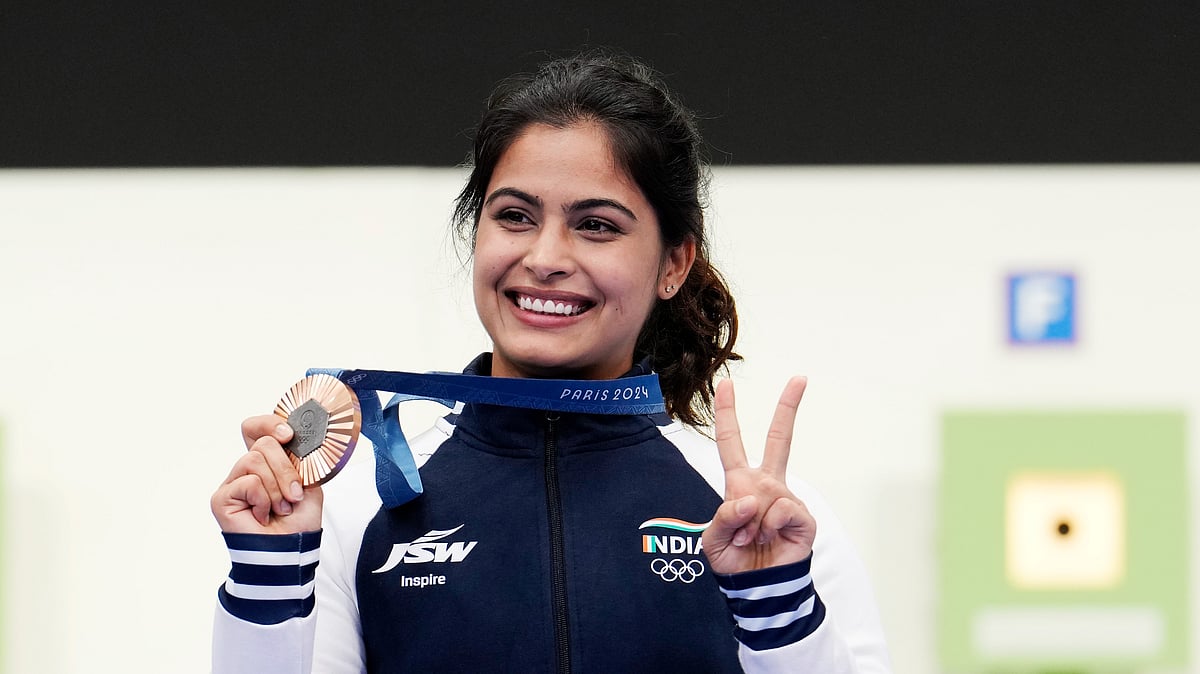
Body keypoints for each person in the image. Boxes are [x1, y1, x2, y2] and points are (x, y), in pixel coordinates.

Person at [211, 52, 891, 673]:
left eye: (597, 225)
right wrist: (268, 581)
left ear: (673, 263)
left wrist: (778, 616)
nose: (545, 258)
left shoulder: (757, 520)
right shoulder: (361, 507)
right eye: (514, 216)